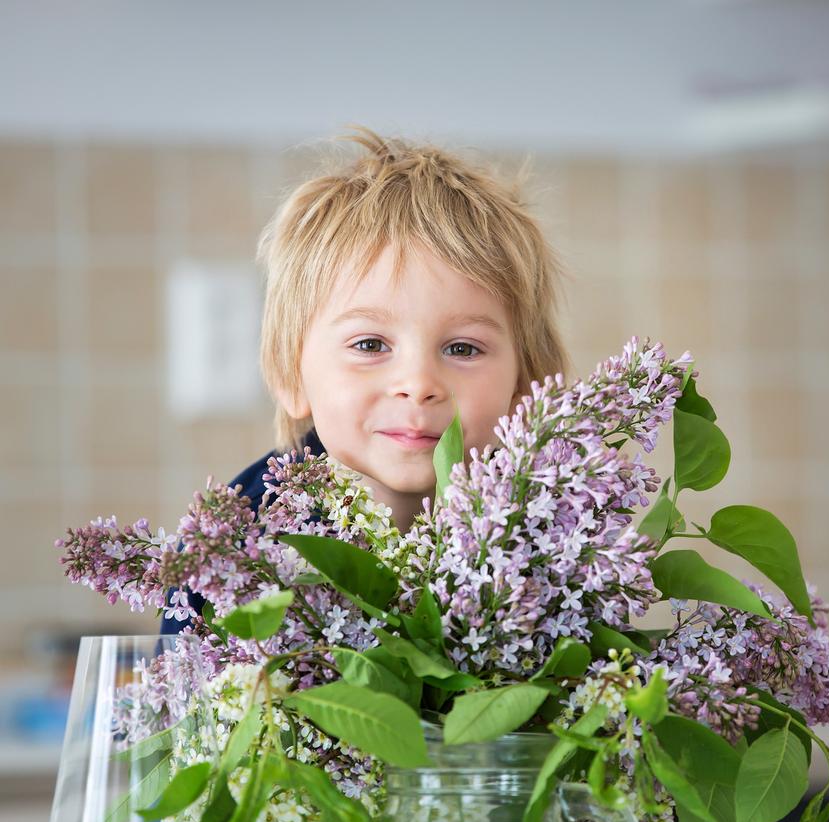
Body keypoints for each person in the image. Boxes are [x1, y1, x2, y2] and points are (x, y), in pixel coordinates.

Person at [161, 126, 571, 634]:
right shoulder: (234, 546)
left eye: (462, 348)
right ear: (292, 375)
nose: (418, 383)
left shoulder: (553, 537)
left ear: (525, 387)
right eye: (370, 345)